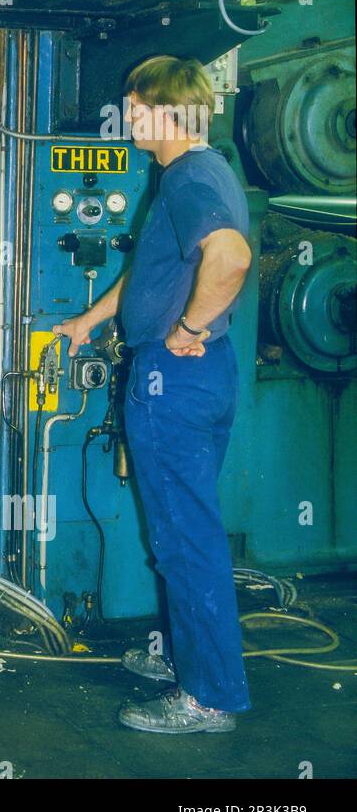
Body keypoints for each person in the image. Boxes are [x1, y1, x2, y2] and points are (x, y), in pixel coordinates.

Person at [53, 55, 253, 734]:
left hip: (179, 378)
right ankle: (190, 664)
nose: (128, 118)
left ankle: (209, 697)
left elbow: (230, 258)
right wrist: (92, 317)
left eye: (135, 108)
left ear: (168, 112)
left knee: (186, 538)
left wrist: (187, 329)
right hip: (192, 375)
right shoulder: (188, 175)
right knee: (177, 532)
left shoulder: (193, 175)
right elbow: (151, 266)